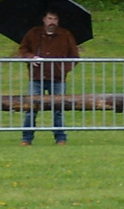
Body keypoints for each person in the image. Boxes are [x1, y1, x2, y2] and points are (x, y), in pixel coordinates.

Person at [17, 8, 79, 144]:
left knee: (58, 109)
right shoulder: (33, 33)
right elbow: (22, 50)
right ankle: (26, 138)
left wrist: (64, 69)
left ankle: (61, 138)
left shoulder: (66, 35)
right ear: (44, 19)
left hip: (58, 79)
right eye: (50, 18)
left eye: (55, 19)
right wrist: (31, 57)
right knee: (31, 108)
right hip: (36, 78)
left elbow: (74, 57)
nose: (53, 22)